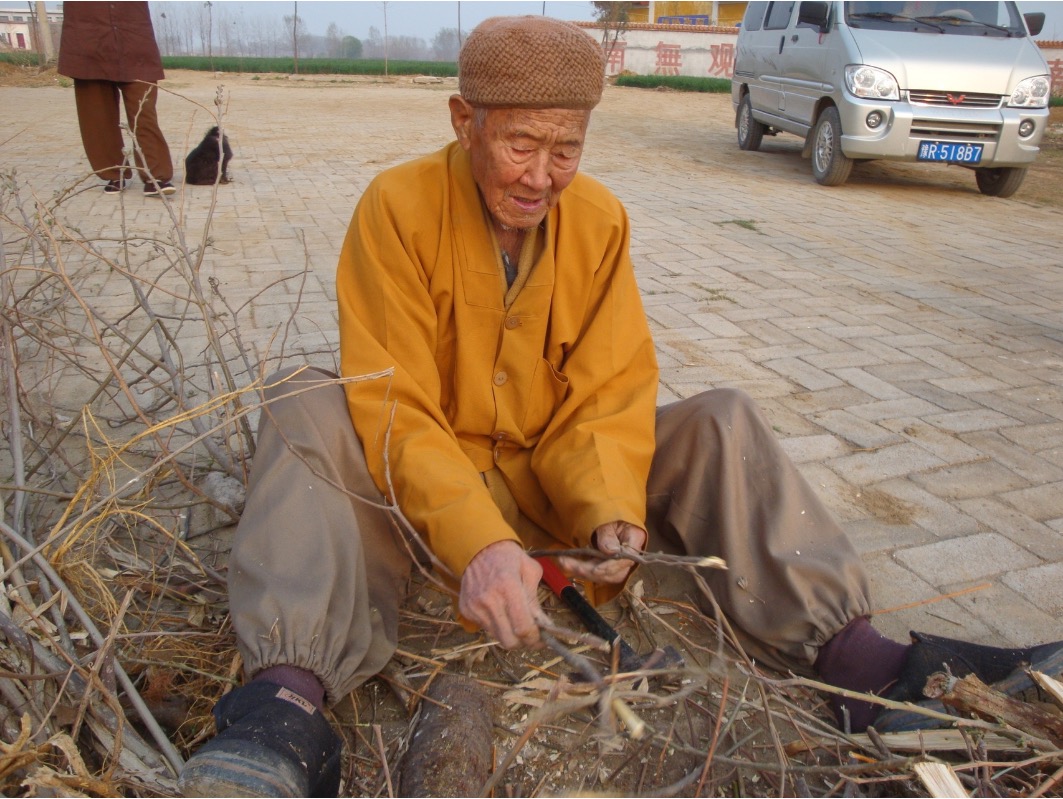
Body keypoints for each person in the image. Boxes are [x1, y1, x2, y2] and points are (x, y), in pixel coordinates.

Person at [178, 16, 1063, 798]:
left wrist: (608, 516)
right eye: (520, 144)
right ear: (463, 121)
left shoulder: (598, 219)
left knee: (719, 418)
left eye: (566, 148)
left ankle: (863, 668)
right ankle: (283, 710)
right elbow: (394, 406)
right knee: (306, 400)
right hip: (418, 506)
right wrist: (479, 544)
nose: (542, 175)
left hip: (548, 494)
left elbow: (608, 393)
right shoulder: (395, 209)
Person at [57, 1, 176, 196]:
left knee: (143, 114)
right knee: (97, 118)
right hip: (88, 42)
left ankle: (156, 175)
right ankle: (114, 173)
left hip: (135, 42)